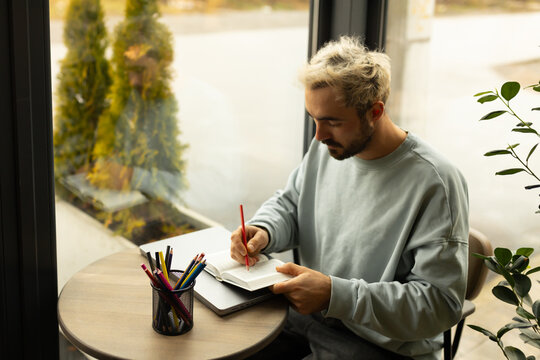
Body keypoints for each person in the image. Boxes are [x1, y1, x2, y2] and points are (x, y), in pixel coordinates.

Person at [230, 36, 469, 360]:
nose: (319, 135)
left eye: (333, 122)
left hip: (377, 345)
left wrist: (334, 295)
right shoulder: (329, 148)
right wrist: (265, 230)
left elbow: (440, 305)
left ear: (375, 111)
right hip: (308, 318)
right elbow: (291, 203)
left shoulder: (434, 183)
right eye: (314, 118)